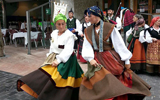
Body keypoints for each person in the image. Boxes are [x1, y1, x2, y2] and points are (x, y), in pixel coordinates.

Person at [79, 6, 151, 100]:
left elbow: (119, 45)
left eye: (89, 16)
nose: (87, 18)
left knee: (114, 80)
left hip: (109, 58)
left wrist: (127, 60)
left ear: (97, 15)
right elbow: (87, 46)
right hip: (95, 59)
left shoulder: (110, 27)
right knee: (98, 81)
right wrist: (90, 59)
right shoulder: (88, 30)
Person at [17, 14, 84, 100]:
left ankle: (60, 96)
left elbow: (68, 50)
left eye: (63, 24)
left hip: (67, 60)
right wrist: (49, 56)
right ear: (55, 24)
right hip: (55, 57)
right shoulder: (54, 33)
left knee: (61, 79)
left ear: (65, 24)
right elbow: (52, 47)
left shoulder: (69, 35)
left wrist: (58, 60)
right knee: (44, 74)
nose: (61, 26)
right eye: (58, 24)